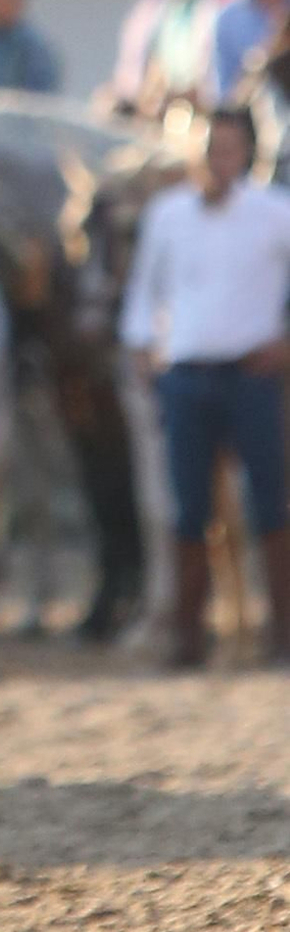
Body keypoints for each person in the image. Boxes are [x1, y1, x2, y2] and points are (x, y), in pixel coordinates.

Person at [120, 107, 290, 666]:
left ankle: (280, 635)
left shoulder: (274, 213)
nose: (221, 161)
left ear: (247, 153)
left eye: (232, 149)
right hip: (188, 376)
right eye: (212, 148)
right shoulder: (168, 215)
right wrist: (145, 351)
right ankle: (189, 637)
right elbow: (146, 293)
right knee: (188, 509)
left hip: (252, 376)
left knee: (271, 504)